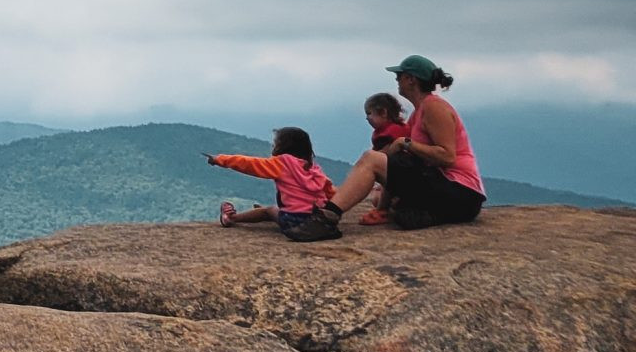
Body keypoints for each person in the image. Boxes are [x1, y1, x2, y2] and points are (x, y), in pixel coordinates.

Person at [330, 56, 483, 229]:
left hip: (460, 191)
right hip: (451, 192)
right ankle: (417, 213)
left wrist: (405, 143)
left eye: (400, 76)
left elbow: (447, 156)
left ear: (411, 80)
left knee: (371, 159)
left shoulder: (434, 107)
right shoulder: (418, 113)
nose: (397, 80)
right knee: (385, 200)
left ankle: (328, 215)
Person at [207, 127, 339, 240]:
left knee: (269, 211)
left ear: (283, 147)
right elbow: (332, 193)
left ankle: (232, 218)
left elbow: (249, 164)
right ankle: (266, 212)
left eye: (275, 143)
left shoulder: (282, 163)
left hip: (296, 224)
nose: (272, 146)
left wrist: (221, 159)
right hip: (323, 222)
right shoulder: (314, 170)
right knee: (277, 211)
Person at [334, 93, 410, 225]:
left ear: (383, 113)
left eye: (369, 113)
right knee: (376, 198)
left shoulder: (392, 132)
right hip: (401, 174)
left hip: (398, 172)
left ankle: (382, 210)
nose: (367, 118)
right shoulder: (397, 128)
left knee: (382, 194)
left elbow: (387, 153)